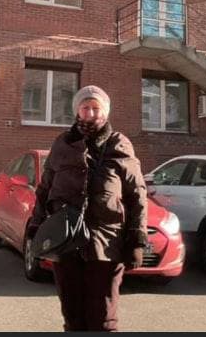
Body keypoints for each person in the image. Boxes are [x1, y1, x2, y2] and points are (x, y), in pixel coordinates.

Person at [26, 85, 148, 332]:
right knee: (72, 314)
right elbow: (45, 187)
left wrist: (137, 239)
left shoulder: (118, 143)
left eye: (96, 108)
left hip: (105, 243)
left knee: (102, 318)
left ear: (105, 112)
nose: (91, 113)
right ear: (77, 111)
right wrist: (36, 224)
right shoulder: (63, 143)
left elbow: (137, 193)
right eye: (85, 108)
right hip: (66, 241)